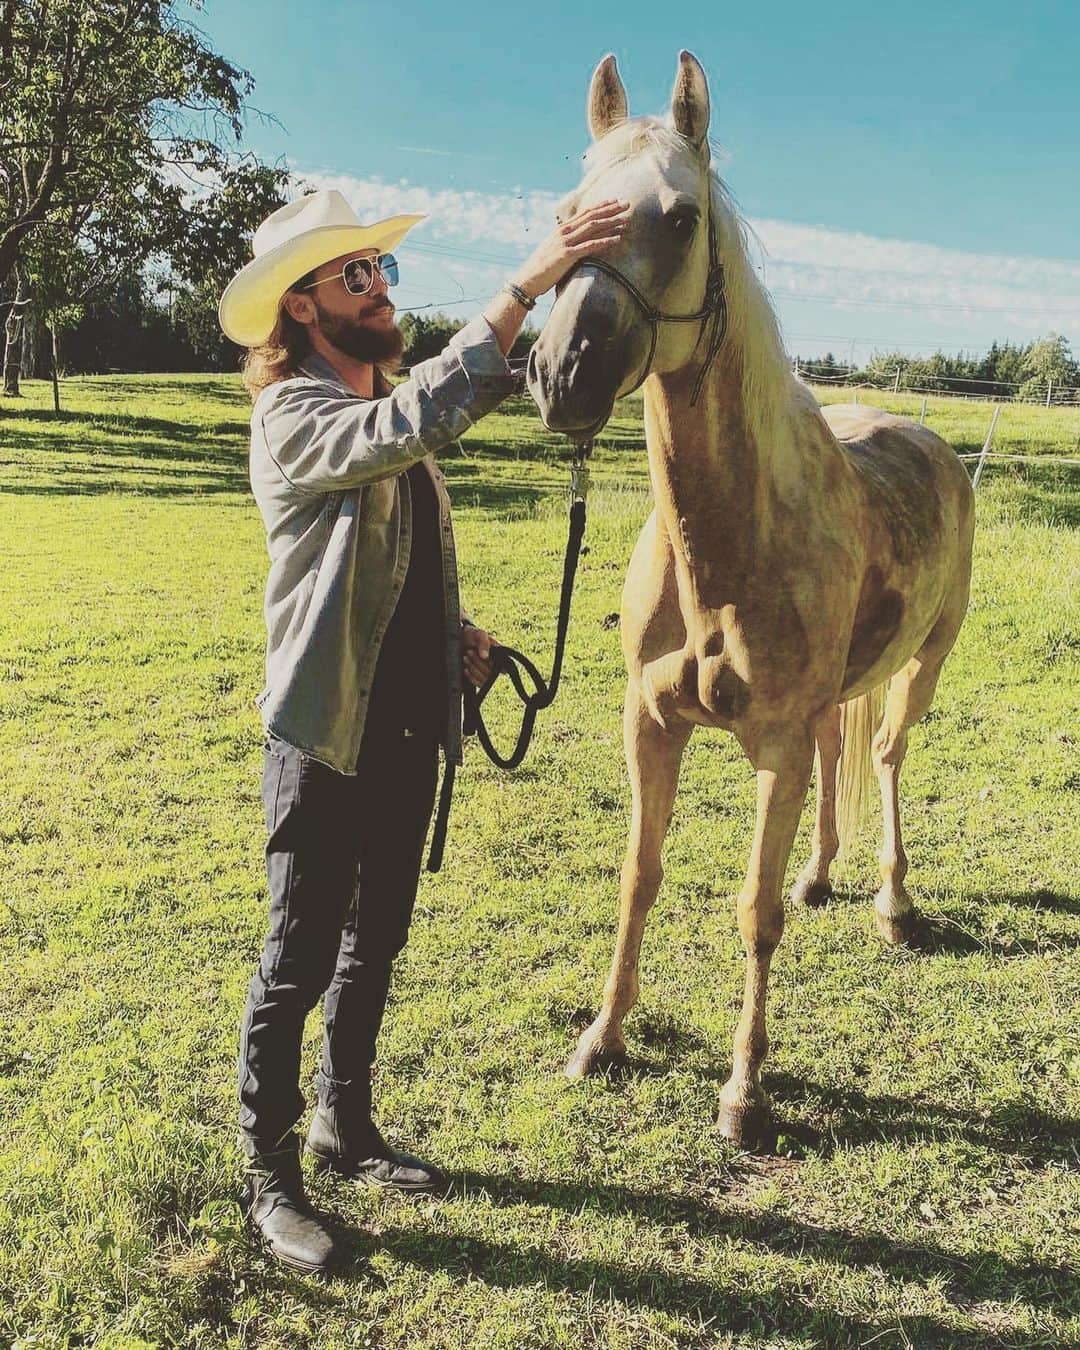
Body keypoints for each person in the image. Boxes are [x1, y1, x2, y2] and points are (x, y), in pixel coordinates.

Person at [217, 187, 628, 1274]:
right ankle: (268, 1176)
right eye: (356, 276)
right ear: (301, 308)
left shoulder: (368, 401)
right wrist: (528, 282)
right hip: (324, 731)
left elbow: (385, 559)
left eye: (379, 270)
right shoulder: (296, 414)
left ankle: (343, 1120)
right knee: (297, 956)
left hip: (405, 727)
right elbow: (408, 426)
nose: (379, 288)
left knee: (376, 937)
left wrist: (457, 637)